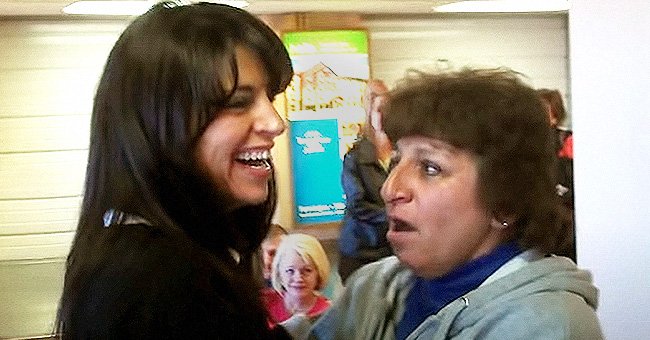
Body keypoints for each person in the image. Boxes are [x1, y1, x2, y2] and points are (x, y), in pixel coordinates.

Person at [55, 2, 294, 339]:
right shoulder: (162, 282)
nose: (275, 123)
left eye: (270, 97)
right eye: (238, 102)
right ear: (159, 123)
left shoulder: (163, 255)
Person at [309, 69, 603, 339]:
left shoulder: (547, 327)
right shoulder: (373, 286)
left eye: (430, 168)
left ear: (505, 202)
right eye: (396, 160)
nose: (390, 189)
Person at [337, 79, 393, 283]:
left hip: (392, 250)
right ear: (370, 112)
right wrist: (395, 216)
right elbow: (357, 205)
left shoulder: (402, 155)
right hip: (360, 252)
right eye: (380, 109)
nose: (385, 115)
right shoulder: (355, 157)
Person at [538, 88, 575, 260]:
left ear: (555, 116)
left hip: (565, 217)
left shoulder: (568, 141)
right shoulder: (520, 142)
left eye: (542, 109)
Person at [264, 234, 331, 326]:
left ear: (319, 273)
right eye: (290, 271)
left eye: (307, 270)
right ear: (279, 273)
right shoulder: (263, 303)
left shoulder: (328, 314)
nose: (298, 278)